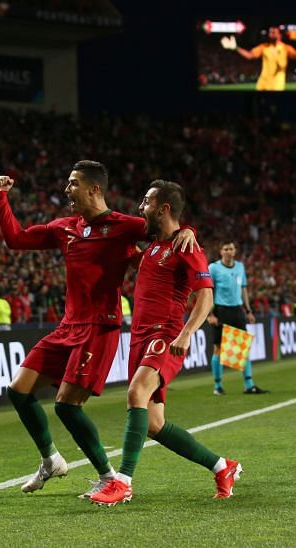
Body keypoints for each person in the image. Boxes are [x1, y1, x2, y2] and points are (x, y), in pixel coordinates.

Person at [0, 160, 199, 498]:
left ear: (94, 189)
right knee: (18, 390)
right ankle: (50, 459)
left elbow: (167, 226)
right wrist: (0, 198)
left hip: (99, 328)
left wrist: (189, 230)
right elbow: (16, 239)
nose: (66, 190)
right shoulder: (65, 228)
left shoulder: (125, 226)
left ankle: (108, 476)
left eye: (73, 183)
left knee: (66, 406)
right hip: (67, 326)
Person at [90, 180, 242, 507]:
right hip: (140, 338)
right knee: (155, 425)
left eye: (146, 202)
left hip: (166, 334)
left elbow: (206, 295)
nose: (140, 207)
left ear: (164, 209)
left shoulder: (186, 247)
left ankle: (122, 483)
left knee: (135, 393)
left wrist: (186, 333)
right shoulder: (156, 246)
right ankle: (222, 466)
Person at [207, 240, 267, 395]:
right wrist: (209, 314)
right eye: (225, 248)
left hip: (237, 310)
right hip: (221, 311)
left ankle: (249, 385)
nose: (228, 251)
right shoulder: (213, 268)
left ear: (235, 251)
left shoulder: (240, 267)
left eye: (231, 249)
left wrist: (248, 310)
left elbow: (243, 290)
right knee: (219, 349)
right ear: (221, 251)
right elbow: (206, 291)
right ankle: (218, 386)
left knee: (242, 348)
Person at [221, 26, 296, 91]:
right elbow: (249, 55)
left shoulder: (286, 48)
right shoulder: (263, 47)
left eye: (273, 32)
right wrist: (236, 48)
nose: (271, 34)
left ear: (279, 35)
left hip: (277, 85)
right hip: (262, 84)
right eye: (270, 32)